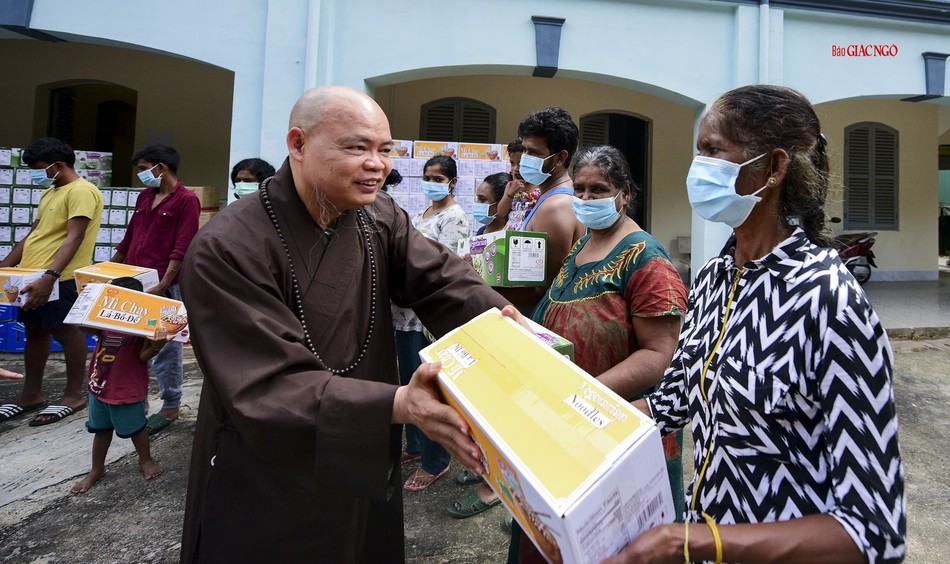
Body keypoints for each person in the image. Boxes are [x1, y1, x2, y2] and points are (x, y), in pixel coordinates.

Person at [178, 85, 512, 563]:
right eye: (356, 147)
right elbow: (266, 382)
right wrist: (400, 402)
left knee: (361, 542)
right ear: (297, 144)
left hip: (360, 441)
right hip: (271, 456)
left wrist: (503, 324)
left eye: (384, 150)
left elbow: (440, 278)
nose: (377, 164)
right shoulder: (228, 247)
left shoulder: (377, 214)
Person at [605, 85, 906, 563]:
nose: (697, 168)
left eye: (712, 151)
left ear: (775, 167)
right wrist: (579, 418)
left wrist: (689, 542)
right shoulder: (712, 278)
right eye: (697, 151)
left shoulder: (828, 299)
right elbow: (676, 399)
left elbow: (874, 530)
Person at [505, 146, 688, 558]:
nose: (586, 199)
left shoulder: (646, 259)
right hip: (560, 423)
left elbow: (660, 354)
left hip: (610, 427)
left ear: (624, 194)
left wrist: (583, 397)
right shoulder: (584, 244)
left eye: (599, 190)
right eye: (581, 189)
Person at [0, 137, 103, 426]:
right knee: (34, 331)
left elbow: (75, 237)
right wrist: (5, 266)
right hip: (32, 276)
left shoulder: (82, 191)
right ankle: (31, 394)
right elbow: (34, 234)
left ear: (58, 165)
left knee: (66, 332)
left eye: (38, 168)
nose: (35, 173)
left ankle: (73, 395)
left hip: (61, 278)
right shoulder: (51, 193)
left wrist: (50, 276)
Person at [394, 155, 472, 492]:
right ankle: (414, 446)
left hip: (424, 317)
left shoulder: (454, 217)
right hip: (403, 315)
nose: (432, 182)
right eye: (427, 176)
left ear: (453, 182)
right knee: (406, 381)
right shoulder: (422, 213)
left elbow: (444, 266)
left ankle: (435, 461)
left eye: (438, 178)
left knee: (428, 389)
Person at [112, 144, 200, 435]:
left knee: (165, 345)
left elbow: (182, 246)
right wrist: (109, 269)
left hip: (165, 285)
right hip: (135, 280)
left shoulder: (186, 201)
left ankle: (171, 403)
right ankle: (137, 397)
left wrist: (163, 284)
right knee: (132, 340)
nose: (141, 175)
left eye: (143, 168)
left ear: (161, 168)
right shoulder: (145, 196)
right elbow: (129, 238)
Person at [70, 277, 171, 494]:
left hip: (126, 390)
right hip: (99, 387)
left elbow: (144, 356)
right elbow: (82, 326)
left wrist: (157, 345)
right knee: (101, 430)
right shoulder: (105, 323)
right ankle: (97, 469)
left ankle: (145, 460)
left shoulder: (146, 323)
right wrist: (87, 301)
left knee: (137, 429)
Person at [504, 108, 585, 313]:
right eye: (524, 150)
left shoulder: (555, 207)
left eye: (534, 152)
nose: (524, 159)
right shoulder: (550, 197)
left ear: (560, 158)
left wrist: (479, 281)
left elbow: (547, 290)